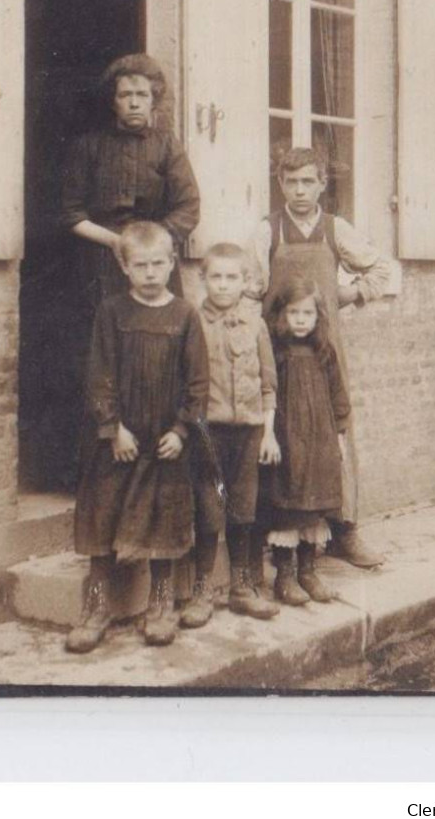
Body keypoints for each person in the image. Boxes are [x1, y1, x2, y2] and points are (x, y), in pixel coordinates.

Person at [57, 54, 201, 486]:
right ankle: (103, 470)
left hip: (155, 261)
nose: (134, 102)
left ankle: (161, 467)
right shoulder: (88, 148)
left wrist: (152, 246)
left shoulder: (168, 146)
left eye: (142, 94)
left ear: (154, 99)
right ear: (113, 101)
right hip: (102, 264)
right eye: (125, 95)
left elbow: (189, 207)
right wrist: (119, 243)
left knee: (159, 358)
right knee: (105, 358)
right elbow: (71, 214)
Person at [66, 222, 209, 654]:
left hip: (165, 441)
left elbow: (198, 383)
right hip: (120, 441)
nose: (150, 273)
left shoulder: (185, 315)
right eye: (140, 265)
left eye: (158, 264)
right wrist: (113, 428)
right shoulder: (112, 312)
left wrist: (182, 430)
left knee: (164, 520)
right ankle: (96, 608)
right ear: (124, 267)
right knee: (102, 518)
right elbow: (100, 374)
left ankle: (160, 605)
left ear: (171, 264)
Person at [248, 144, 391, 568]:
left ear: (323, 184)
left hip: (326, 351)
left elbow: (383, 270)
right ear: (280, 185)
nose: (299, 190)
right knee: (281, 435)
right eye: (290, 182)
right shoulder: (267, 231)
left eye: (308, 181)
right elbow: (251, 288)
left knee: (338, 434)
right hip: (279, 355)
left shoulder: (335, 229)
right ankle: (277, 534)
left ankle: (344, 529)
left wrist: (344, 295)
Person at [181, 243, 280, 630]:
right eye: (216, 277)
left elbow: (269, 384)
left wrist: (269, 434)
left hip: (251, 432)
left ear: (246, 281)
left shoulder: (256, 324)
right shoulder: (194, 322)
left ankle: (240, 587)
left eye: (232, 277)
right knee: (209, 505)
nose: (223, 285)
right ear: (203, 280)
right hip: (209, 431)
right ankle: (202, 589)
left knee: (244, 507)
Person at [266, 276, 351, 605]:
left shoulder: (323, 351)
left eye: (307, 314)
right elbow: (267, 392)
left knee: (314, 503)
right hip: (287, 437)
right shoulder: (277, 351)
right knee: (289, 500)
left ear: (318, 317)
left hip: (319, 437)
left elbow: (338, 395)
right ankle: (284, 577)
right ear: (281, 315)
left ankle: (308, 571)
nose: (300, 320)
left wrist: (339, 434)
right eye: (293, 313)